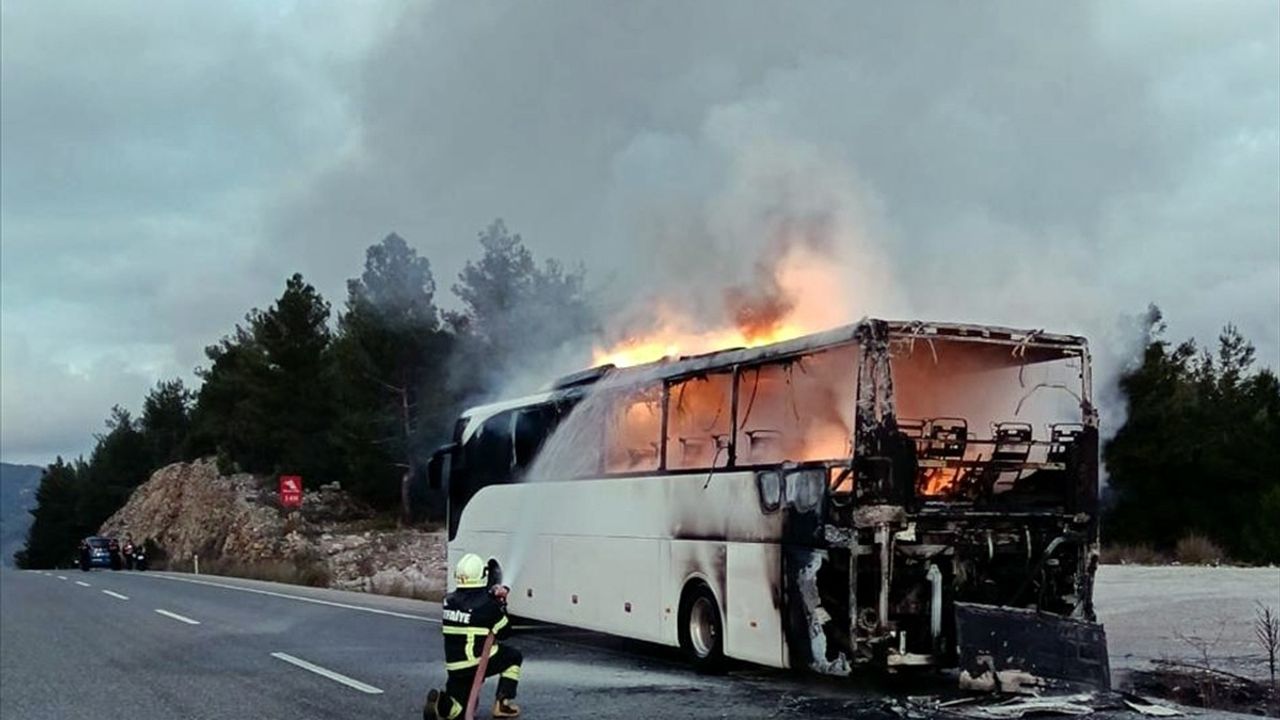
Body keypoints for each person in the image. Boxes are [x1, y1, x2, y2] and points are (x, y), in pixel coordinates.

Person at [424, 554, 522, 719]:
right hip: (477, 663)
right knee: (513, 657)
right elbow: (505, 632)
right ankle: (502, 704)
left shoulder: (448, 601)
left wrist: (491, 598)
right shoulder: (487, 605)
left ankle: (441, 704)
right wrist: (501, 605)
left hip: (455, 666)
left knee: (458, 712)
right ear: (481, 575)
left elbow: (472, 605)